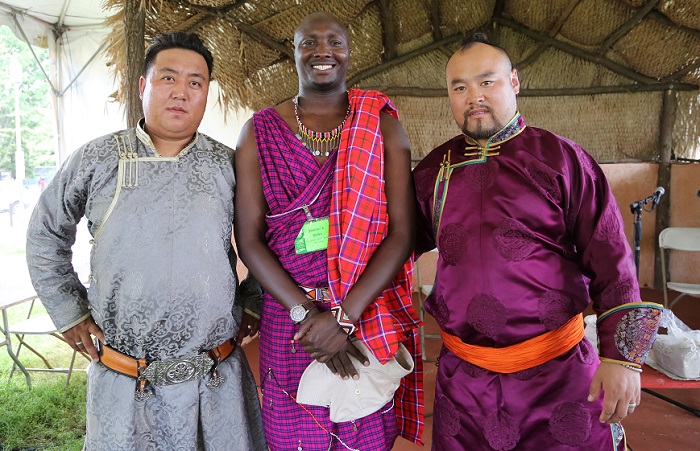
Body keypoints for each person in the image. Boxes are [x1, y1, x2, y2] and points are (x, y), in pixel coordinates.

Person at [413, 33, 662, 450]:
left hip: (559, 377)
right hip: (464, 386)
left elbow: (612, 258)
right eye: (459, 87)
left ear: (514, 81)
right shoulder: (432, 173)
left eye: (486, 81)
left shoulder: (563, 160)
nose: (473, 96)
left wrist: (623, 360)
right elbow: (389, 243)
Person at [25, 31, 267, 450]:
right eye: (168, 78)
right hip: (125, 381)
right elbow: (46, 231)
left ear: (207, 93)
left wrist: (253, 299)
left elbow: (269, 237)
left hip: (215, 378)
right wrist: (69, 311)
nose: (181, 92)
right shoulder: (98, 159)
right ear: (143, 85)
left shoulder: (230, 164)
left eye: (196, 82)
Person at [235, 11, 423, 451]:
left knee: (367, 429)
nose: (323, 52)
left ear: (349, 52)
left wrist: (344, 317)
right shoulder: (259, 132)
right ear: (294, 53)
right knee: (292, 432)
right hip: (290, 318)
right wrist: (307, 314)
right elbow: (250, 239)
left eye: (334, 42)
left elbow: (402, 233)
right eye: (309, 43)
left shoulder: (381, 127)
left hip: (365, 309)